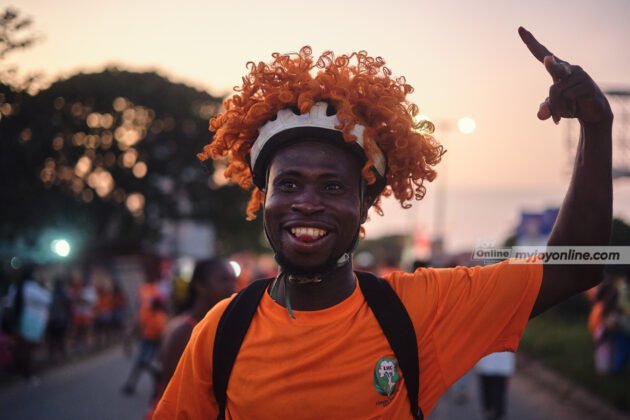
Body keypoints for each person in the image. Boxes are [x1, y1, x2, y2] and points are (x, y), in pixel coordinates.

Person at [155, 27, 613, 419]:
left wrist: (596, 127)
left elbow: (578, 266)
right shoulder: (220, 331)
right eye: (288, 185)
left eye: (333, 187)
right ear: (264, 198)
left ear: (366, 200)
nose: (308, 204)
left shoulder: (419, 312)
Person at [146, 258, 236, 418]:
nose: (231, 287)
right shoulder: (183, 332)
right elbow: (170, 390)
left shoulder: (223, 325)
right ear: (200, 286)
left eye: (232, 280)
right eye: (223, 280)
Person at [122, 296, 168, 395]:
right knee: (140, 362)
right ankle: (131, 384)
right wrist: (130, 336)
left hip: (157, 341)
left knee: (147, 363)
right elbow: (138, 324)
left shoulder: (161, 317)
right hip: (147, 340)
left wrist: (162, 349)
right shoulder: (147, 312)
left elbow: (163, 334)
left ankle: (159, 386)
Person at [475, 352, 515, 420]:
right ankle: (492, 412)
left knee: (496, 393)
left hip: (498, 366)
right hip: (490, 366)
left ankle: (495, 412)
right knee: (491, 393)